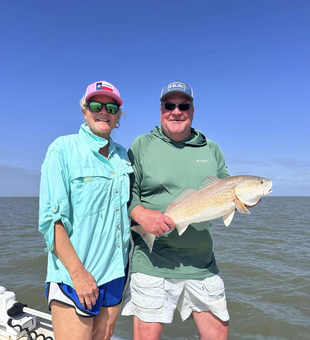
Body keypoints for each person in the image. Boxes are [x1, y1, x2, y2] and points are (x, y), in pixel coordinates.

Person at [121, 81, 231, 340]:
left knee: (218, 332)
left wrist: (247, 198)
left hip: (202, 262)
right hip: (152, 261)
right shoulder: (142, 145)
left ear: (192, 110)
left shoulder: (211, 149)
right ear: (161, 109)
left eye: (184, 105)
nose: (176, 111)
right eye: (169, 105)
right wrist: (139, 215)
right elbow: (125, 193)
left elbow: (228, 186)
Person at [39, 80, 133, 340]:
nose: (104, 111)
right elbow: (51, 221)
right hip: (75, 276)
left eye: (111, 108)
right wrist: (78, 273)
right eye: (95, 105)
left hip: (115, 273)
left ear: (118, 117)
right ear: (84, 111)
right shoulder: (62, 149)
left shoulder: (124, 156)